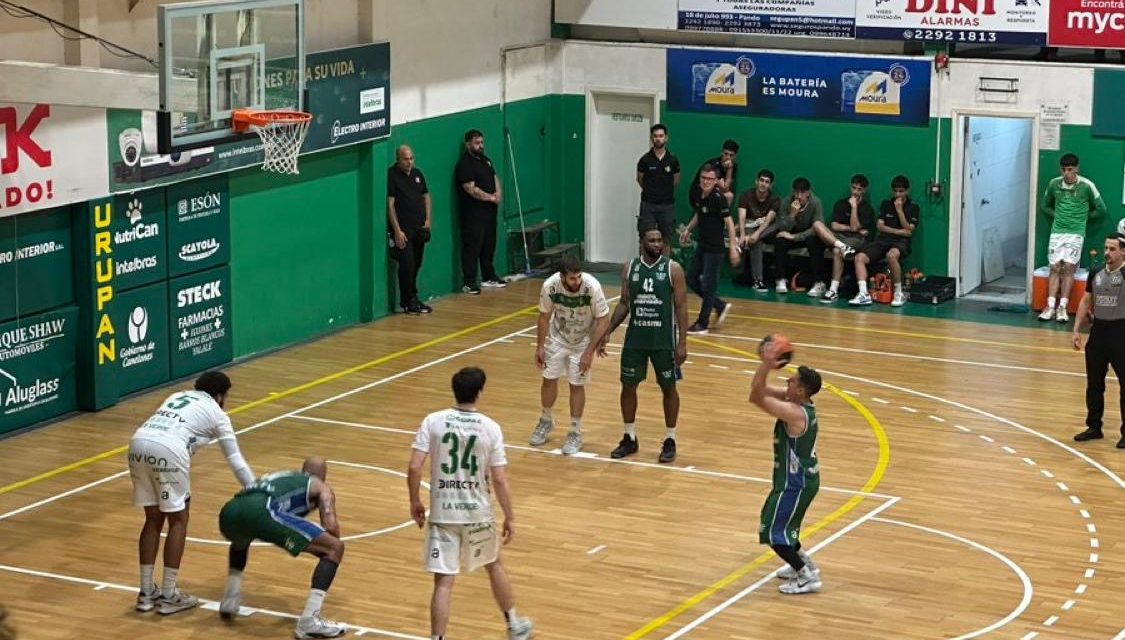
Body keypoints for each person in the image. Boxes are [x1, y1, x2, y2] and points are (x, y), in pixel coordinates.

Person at [408, 367, 534, 640]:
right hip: (477, 513)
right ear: (480, 392)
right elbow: (499, 479)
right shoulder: (490, 427)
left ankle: (437, 638)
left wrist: (414, 500)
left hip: (443, 512)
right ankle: (514, 625)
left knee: (443, 582)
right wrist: (510, 516)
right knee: (494, 565)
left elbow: (415, 467)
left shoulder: (433, 421)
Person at [127, 370, 254, 615]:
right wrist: (255, 488)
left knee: (153, 519)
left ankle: (145, 593)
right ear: (220, 396)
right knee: (178, 520)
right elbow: (235, 459)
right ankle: (168, 594)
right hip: (168, 448)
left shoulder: (178, 395)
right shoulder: (218, 414)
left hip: (138, 443)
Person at [217, 458, 347, 639]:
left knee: (243, 536)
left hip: (229, 512)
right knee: (334, 548)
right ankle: (309, 621)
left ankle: (229, 600)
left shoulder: (282, 477)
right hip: (260, 510)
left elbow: (251, 510)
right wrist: (321, 542)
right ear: (323, 476)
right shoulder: (321, 486)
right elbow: (331, 529)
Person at [599, 227, 688, 463]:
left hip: (663, 341)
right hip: (635, 340)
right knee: (628, 386)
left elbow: (681, 307)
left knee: (669, 388)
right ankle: (629, 437)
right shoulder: (630, 268)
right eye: (652, 240)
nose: (657, 244)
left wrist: (682, 343)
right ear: (642, 243)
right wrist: (606, 332)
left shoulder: (673, 269)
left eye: (660, 240)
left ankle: (670, 439)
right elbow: (624, 304)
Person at [749, 344, 824, 595]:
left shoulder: (794, 412)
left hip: (796, 482)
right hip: (800, 480)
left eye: (793, 381)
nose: (788, 380)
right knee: (785, 526)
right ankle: (805, 565)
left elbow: (756, 398)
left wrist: (767, 364)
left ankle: (805, 576)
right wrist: (766, 365)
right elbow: (760, 390)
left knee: (771, 530)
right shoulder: (797, 401)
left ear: (801, 390)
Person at [529, 255, 611, 455]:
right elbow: (544, 317)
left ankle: (575, 431)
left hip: (583, 341)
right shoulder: (550, 286)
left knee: (576, 385)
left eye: (579, 276)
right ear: (562, 277)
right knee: (548, 379)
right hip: (558, 338)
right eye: (572, 278)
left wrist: (589, 352)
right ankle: (546, 420)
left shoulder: (592, 286)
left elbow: (603, 319)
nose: (577, 281)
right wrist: (540, 346)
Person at [1071, 233, 1125, 448]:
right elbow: (1086, 301)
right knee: (1094, 384)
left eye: (1112, 249)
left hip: (1121, 333)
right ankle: (1094, 426)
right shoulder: (1096, 272)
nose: (1107, 253)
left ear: (1123, 251)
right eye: (1106, 248)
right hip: (1099, 333)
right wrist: (1076, 330)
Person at [1040, 153, 1108, 322]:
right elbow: (1045, 205)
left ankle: (1062, 307)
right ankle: (1050, 306)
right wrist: (1057, 216)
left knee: (1069, 268)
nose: (1066, 173)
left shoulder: (1087, 185)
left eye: (1070, 169)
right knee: (1055, 267)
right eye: (1063, 169)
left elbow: (1101, 209)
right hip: (1057, 232)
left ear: (1076, 168)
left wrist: (1083, 218)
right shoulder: (1054, 184)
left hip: (1075, 233)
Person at [680, 164, 740, 335]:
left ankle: (703, 323)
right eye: (703, 178)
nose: (706, 181)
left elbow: (729, 222)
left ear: (715, 181)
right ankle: (719, 305)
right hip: (702, 245)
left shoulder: (718, 198)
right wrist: (687, 230)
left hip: (715, 249)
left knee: (709, 285)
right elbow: (699, 214)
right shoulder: (700, 195)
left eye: (710, 179)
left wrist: (733, 248)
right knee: (690, 278)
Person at [851, 175, 920, 307]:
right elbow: (880, 226)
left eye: (901, 191)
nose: (898, 194)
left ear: (907, 191)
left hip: (901, 242)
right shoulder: (885, 204)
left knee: (891, 255)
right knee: (859, 258)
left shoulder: (913, 207)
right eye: (895, 191)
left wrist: (900, 211)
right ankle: (863, 293)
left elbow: (909, 230)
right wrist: (899, 231)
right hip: (883, 240)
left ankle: (899, 293)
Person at [809, 174, 873, 304]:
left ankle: (833, 290)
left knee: (837, 251)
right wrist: (851, 228)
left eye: (859, 189)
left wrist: (854, 207)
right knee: (817, 225)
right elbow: (834, 225)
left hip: (856, 240)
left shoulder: (867, 209)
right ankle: (840, 245)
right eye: (853, 188)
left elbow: (855, 229)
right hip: (838, 237)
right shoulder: (841, 204)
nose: (855, 192)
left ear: (864, 190)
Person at [455, 129, 505, 294]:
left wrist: (498, 193)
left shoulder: (486, 160)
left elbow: (494, 177)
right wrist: (490, 198)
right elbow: (471, 189)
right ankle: (469, 282)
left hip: (489, 213)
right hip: (472, 215)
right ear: (468, 144)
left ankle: (488, 276)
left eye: (482, 142)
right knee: (472, 247)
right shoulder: (464, 164)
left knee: (489, 245)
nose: (480, 146)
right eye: (477, 143)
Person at [388, 144, 433, 314]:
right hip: (403, 230)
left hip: (419, 228)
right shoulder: (392, 176)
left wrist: (428, 220)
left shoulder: (417, 174)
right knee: (407, 264)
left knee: (417, 263)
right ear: (398, 159)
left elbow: (426, 197)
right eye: (405, 159)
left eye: (411, 158)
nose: (409, 162)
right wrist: (397, 230)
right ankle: (406, 301)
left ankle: (414, 297)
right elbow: (390, 205)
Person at [763, 178, 823, 294]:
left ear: (808, 193)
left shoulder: (816, 203)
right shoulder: (786, 202)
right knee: (780, 240)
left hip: (807, 234)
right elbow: (783, 227)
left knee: (815, 242)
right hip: (791, 231)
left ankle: (818, 282)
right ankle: (780, 279)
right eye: (796, 192)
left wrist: (795, 237)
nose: (798, 196)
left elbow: (816, 228)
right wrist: (792, 215)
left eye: (802, 193)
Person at [636, 124, 681, 254]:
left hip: (667, 205)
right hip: (648, 204)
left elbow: (676, 181)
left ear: (666, 138)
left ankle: (664, 269)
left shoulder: (673, 160)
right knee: (645, 238)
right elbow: (640, 179)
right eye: (655, 136)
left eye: (661, 136)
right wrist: (652, 191)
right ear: (651, 138)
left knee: (666, 239)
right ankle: (644, 268)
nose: (658, 139)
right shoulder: (645, 160)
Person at [736, 169, 781, 292]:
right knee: (756, 242)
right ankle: (758, 281)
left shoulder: (775, 199)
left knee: (775, 225)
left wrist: (757, 234)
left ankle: (750, 238)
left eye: (767, 182)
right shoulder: (746, 195)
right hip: (749, 227)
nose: (763, 184)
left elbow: (768, 220)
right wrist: (742, 235)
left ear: (770, 185)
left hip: (767, 230)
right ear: (756, 181)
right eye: (761, 180)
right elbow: (741, 217)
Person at [688, 139, 739, 207]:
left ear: (735, 156)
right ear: (722, 152)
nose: (728, 157)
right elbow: (724, 188)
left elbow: (726, 188)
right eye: (725, 154)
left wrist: (729, 169)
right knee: (720, 194)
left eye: (731, 155)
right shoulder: (713, 165)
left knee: (729, 196)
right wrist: (721, 186)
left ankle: (724, 216)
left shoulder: (733, 167)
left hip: (713, 191)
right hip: (698, 193)